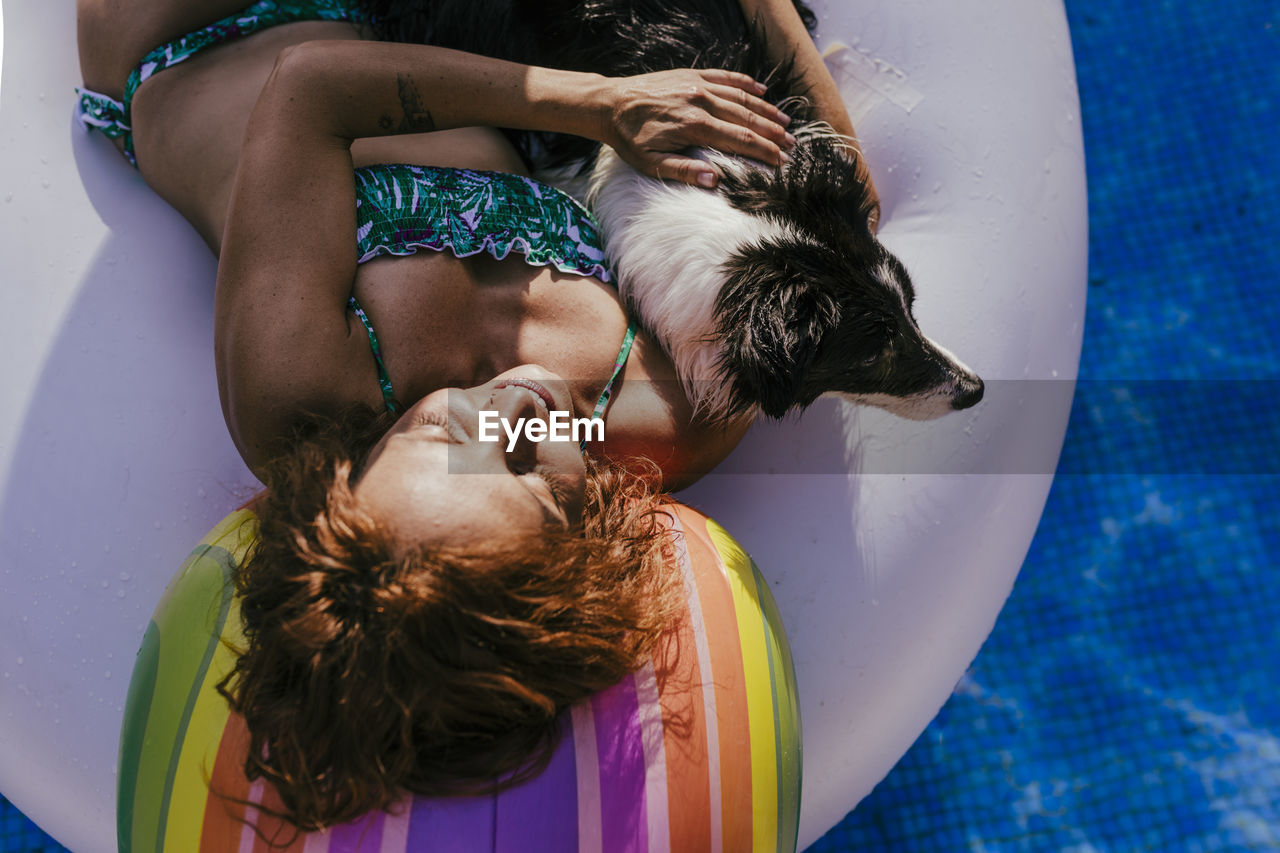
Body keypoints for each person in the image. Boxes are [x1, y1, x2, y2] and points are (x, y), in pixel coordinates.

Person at [76, 0, 867, 829]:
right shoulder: (671, 414)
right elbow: (819, 202)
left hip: (197, 32)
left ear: (354, 476)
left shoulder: (304, 394)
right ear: (581, 546)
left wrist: (600, 104)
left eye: (443, 432)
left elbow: (309, 87)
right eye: (532, 465)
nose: (516, 406)